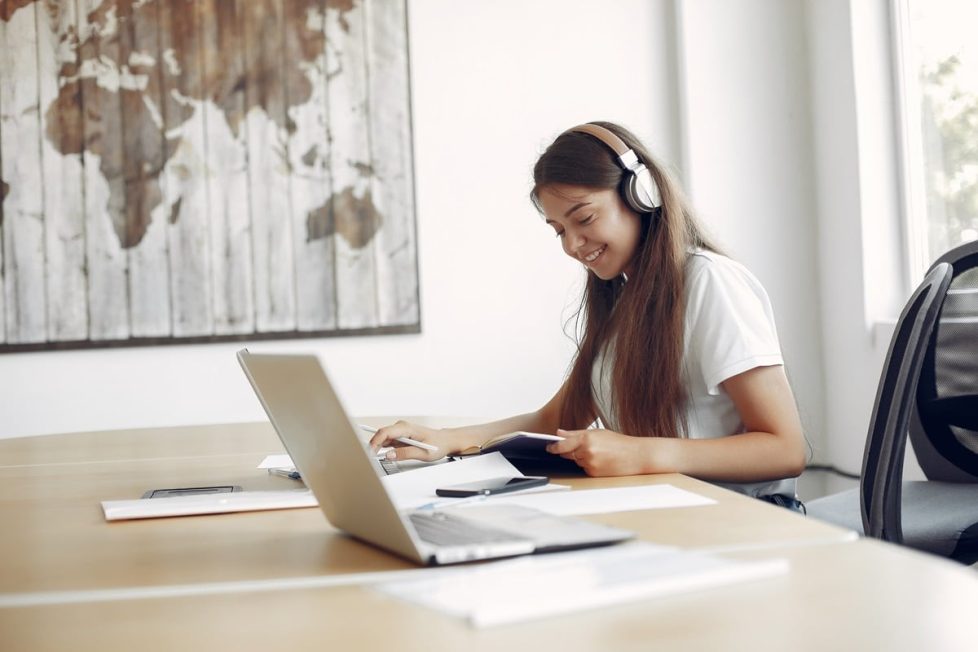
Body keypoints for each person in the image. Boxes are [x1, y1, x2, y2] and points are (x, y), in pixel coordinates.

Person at [370, 121, 806, 505]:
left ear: (641, 194)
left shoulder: (709, 282)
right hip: (668, 509)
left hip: (741, 519)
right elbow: (555, 419)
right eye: (559, 230)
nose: (572, 245)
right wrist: (447, 442)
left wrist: (642, 453)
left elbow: (786, 449)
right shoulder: (622, 298)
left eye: (584, 218)